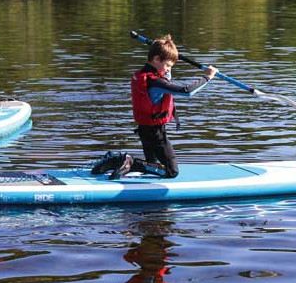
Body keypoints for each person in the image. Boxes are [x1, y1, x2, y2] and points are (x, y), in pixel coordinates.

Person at [91, 34, 217, 180]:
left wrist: (169, 62)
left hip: (144, 129)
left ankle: (115, 160)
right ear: (157, 59)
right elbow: (187, 91)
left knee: (152, 166)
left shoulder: (141, 75)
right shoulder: (156, 82)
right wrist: (208, 77)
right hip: (156, 134)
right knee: (171, 172)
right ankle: (129, 162)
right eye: (168, 66)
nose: (168, 69)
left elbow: (164, 80)